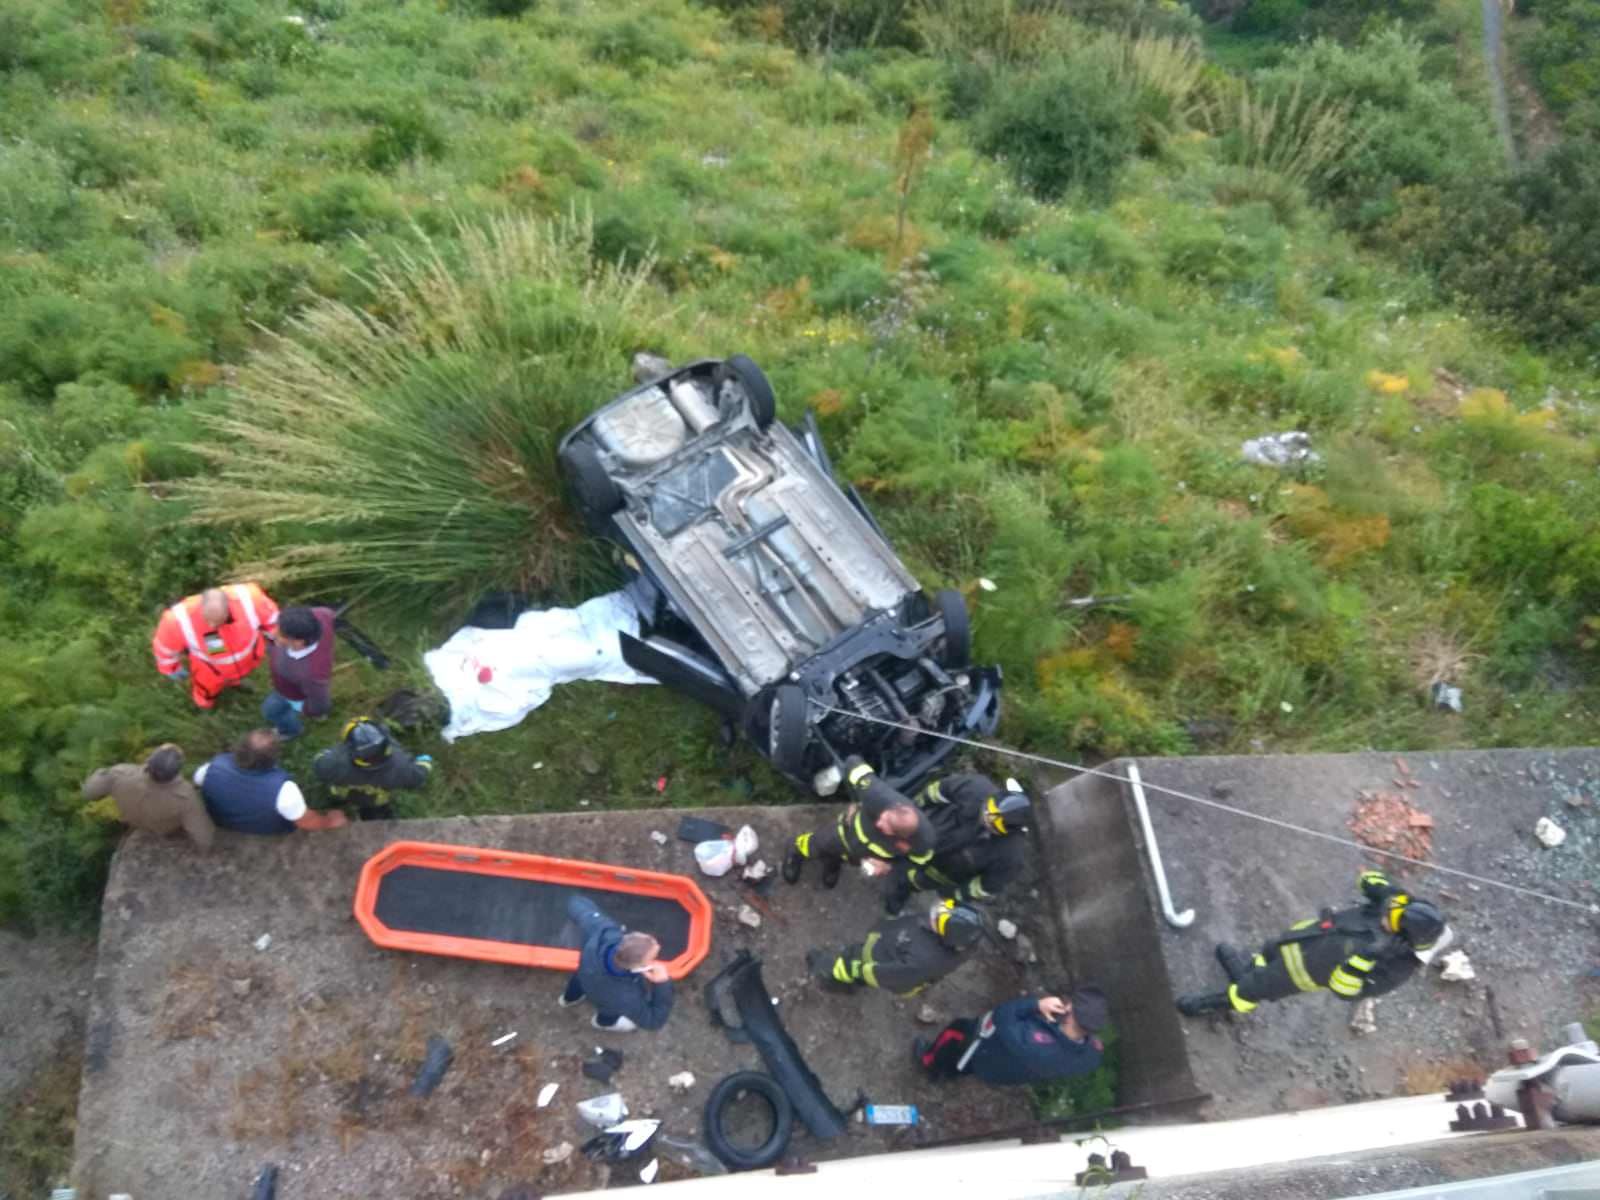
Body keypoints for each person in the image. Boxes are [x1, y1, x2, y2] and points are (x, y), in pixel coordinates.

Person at [1175, 869, 1447, 1017]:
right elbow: (1366, 878)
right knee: (1266, 955)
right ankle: (1244, 971)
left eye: (1389, 917)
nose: (1385, 912)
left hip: (1297, 974)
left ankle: (1216, 1003)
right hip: (1299, 939)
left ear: (1403, 937)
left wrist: (1363, 959)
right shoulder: (1397, 906)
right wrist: (1382, 886)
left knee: (1250, 990)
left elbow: (1344, 991)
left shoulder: (1396, 969)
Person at [883, 770, 1032, 914]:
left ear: (1010, 829)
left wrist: (955, 895)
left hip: (940, 871)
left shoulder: (1010, 856)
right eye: (988, 809)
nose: (985, 817)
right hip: (925, 836)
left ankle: (893, 904)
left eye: (994, 823)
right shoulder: (975, 787)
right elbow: (937, 791)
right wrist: (912, 810)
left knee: (910, 883)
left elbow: (985, 886)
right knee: (892, 848)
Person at [782, 756, 935, 889]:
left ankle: (832, 862)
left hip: (863, 855)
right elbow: (852, 763)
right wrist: (855, 800)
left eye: (886, 826)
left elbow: (917, 862)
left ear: (900, 836)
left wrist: (889, 866)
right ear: (897, 807)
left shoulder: (924, 842)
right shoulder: (878, 795)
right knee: (817, 843)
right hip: (844, 833)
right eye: (884, 816)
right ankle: (795, 849)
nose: (879, 821)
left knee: (844, 857)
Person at [916, 985, 1109, 1085]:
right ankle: (950, 1074)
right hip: (1006, 1071)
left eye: (1070, 1005)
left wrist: (1036, 1004)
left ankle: (928, 1062)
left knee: (956, 1032)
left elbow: (1002, 1016)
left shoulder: (1035, 1045)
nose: (1066, 1004)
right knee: (965, 1067)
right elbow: (1091, 1048)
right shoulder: (1091, 1055)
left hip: (988, 1051)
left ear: (1071, 1015)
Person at [807, 900, 985, 996]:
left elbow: (889, 975)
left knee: (850, 964)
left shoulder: (922, 961)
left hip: (877, 960)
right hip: (891, 948)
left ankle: (831, 977)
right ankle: (854, 982)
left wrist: (862, 970)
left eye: (938, 920)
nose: (936, 912)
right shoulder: (965, 940)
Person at [151, 583, 280, 710]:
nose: (212, 626)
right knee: (206, 691)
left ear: (228, 610)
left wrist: (276, 641)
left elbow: (273, 622)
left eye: (217, 622)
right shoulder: (177, 621)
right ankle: (205, 705)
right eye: (208, 621)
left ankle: (235, 682)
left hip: (248, 660)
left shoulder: (251, 600)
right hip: (209, 670)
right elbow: (164, 649)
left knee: (237, 673)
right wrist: (171, 669)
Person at [195, 729, 348, 835]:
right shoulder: (284, 792)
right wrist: (330, 821)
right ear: (273, 760)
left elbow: (198, 782)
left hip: (220, 821)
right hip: (264, 829)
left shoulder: (209, 769)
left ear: (239, 749)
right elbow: (306, 822)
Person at [558, 894, 675, 1033]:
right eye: (652, 958)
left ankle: (568, 999)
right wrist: (662, 983)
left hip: (585, 974)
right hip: (608, 1000)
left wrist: (571, 899)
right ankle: (601, 1023)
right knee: (609, 1012)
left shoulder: (602, 932)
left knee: (577, 983)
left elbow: (577, 906)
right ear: (637, 967)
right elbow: (653, 1021)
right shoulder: (627, 997)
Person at [81, 743, 215, 851]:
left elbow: (88, 792)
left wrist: (102, 773)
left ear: (149, 761)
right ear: (178, 770)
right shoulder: (186, 797)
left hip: (133, 820)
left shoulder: (120, 774)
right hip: (165, 830)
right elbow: (204, 838)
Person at [312, 717, 433, 821]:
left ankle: (338, 804)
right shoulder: (401, 767)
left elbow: (318, 764)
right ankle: (375, 818)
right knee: (374, 812)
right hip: (376, 800)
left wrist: (328, 753)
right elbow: (418, 777)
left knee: (337, 798)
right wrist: (424, 761)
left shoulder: (334, 763)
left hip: (342, 793)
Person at [263, 604, 336, 739]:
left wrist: (306, 710)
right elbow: (328, 612)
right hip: (298, 685)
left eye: (280, 634)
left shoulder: (310, 674)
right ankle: (319, 717)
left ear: (298, 642)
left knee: (270, 711)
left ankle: (291, 730)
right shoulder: (322, 616)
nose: (273, 633)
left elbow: (320, 702)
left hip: (291, 694)